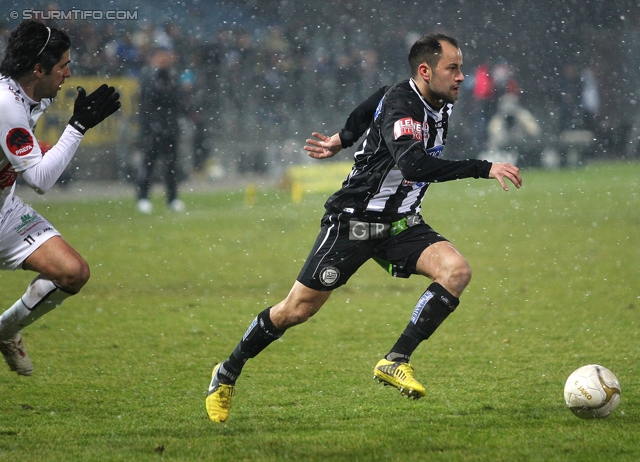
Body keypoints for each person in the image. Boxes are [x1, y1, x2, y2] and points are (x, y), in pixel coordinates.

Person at [205, 33, 522, 423]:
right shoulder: (405, 107)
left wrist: (342, 138)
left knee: (456, 271)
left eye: (461, 68)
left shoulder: (430, 99)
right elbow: (415, 166)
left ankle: (395, 359)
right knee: (296, 310)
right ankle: (226, 372)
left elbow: (376, 98)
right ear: (425, 71)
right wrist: (483, 167)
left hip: (400, 223)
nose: (461, 77)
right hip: (353, 221)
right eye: (452, 68)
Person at [0, 20, 120, 375]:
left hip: (4, 210)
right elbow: (38, 179)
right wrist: (77, 126)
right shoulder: (6, 103)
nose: (68, 72)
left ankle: (6, 330)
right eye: (62, 64)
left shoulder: (26, 95)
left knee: (72, 273)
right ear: (38, 69)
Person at [135, 47, 184, 214]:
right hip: (152, 129)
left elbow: (177, 101)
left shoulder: (173, 76)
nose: (164, 60)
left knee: (171, 165)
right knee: (149, 164)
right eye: (161, 57)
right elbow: (146, 103)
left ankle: (172, 198)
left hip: (169, 128)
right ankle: (143, 198)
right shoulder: (148, 77)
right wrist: (149, 126)